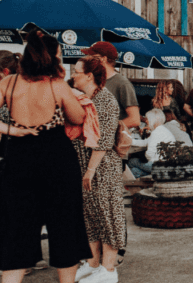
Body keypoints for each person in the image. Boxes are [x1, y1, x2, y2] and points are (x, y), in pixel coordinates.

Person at [0, 29, 91, 283]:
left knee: (17, 228)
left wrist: (11, 129)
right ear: (51, 57)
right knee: (65, 226)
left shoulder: (9, 83)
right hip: (57, 158)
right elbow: (77, 117)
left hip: (19, 157)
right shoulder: (57, 85)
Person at [70, 55, 126, 283]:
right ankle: (93, 263)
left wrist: (90, 170)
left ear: (89, 75)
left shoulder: (105, 101)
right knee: (91, 215)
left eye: (76, 71)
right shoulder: (84, 98)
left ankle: (109, 269)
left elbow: (103, 141)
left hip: (102, 167)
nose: (72, 75)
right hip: (86, 164)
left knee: (108, 214)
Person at [82, 42, 140, 131]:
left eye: (92, 58)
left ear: (103, 59)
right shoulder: (93, 81)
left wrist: (104, 129)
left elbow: (134, 119)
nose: (88, 61)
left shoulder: (122, 83)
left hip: (110, 142)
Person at [128, 108, 176, 178]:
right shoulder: (162, 130)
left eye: (147, 119)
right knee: (134, 171)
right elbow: (145, 142)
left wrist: (144, 156)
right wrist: (130, 141)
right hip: (167, 165)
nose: (146, 121)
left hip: (158, 165)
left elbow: (149, 154)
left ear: (152, 120)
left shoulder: (156, 132)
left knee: (132, 161)